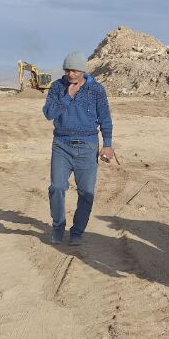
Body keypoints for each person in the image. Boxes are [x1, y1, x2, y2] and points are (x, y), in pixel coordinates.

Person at [42, 51, 114, 246]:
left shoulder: (96, 90)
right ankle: (58, 227)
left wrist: (107, 144)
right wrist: (68, 96)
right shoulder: (57, 87)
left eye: (74, 70)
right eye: (67, 70)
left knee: (86, 192)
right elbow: (48, 113)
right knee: (57, 187)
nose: (70, 74)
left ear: (83, 70)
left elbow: (105, 118)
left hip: (88, 146)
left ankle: (77, 232)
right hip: (61, 145)